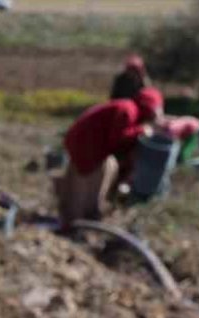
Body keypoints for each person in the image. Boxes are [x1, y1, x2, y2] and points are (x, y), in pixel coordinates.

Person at [52, 87, 163, 232]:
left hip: (88, 144)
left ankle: (88, 215)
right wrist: (141, 131)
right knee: (81, 186)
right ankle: (74, 223)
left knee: (108, 167)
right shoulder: (127, 110)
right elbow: (118, 139)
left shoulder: (129, 108)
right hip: (86, 144)